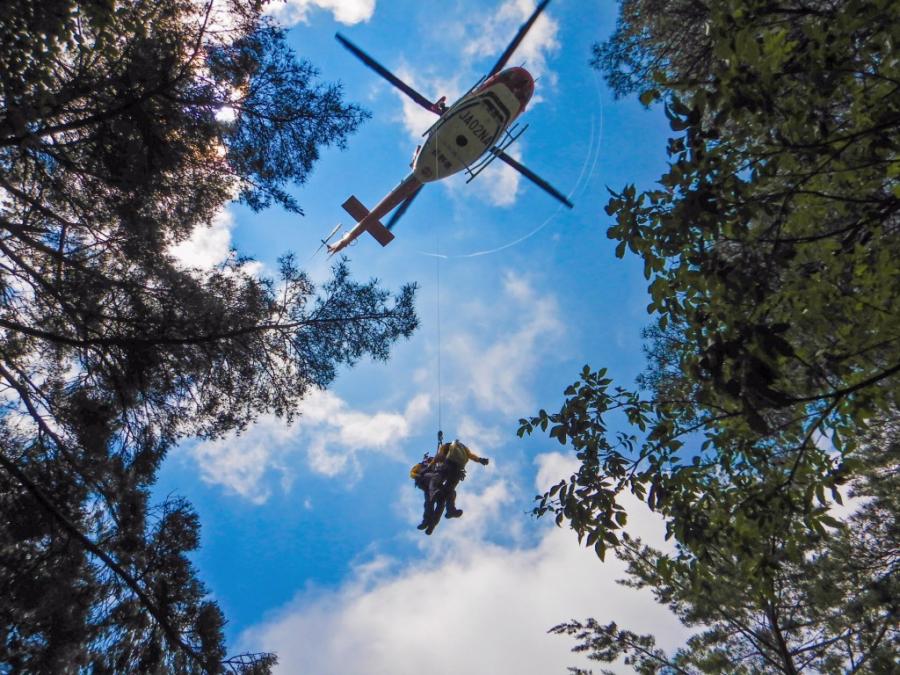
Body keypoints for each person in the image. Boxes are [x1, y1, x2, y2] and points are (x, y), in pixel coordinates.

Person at [425, 439, 489, 530]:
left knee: (436, 481)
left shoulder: (447, 446)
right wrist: (480, 460)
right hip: (458, 470)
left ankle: (437, 494)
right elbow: (471, 456)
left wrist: (430, 465)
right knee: (449, 491)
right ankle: (450, 510)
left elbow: (439, 456)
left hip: (448, 466)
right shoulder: (462, 447)